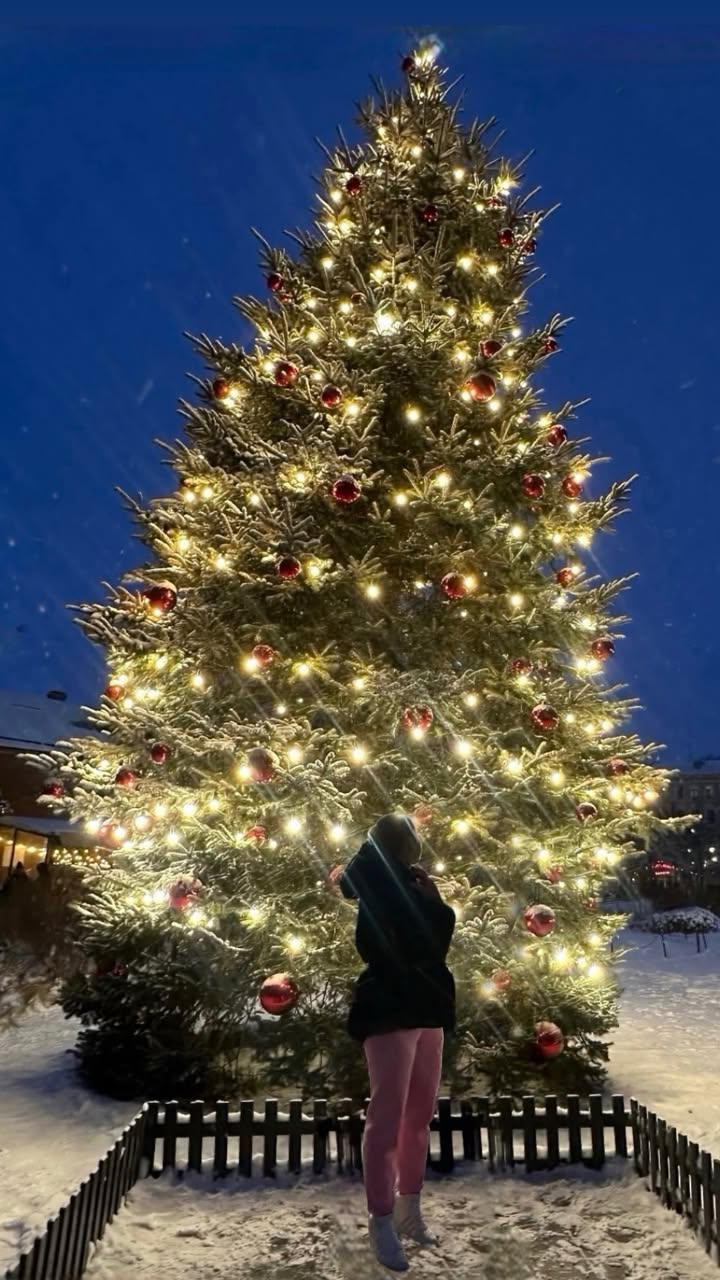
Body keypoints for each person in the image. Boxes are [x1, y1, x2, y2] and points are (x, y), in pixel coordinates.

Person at [339, 813, 456, 1272]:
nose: (419, 842)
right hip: (390, 1005)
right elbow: (417, 942)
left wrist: (432, 900)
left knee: (419, 1115)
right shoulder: (378, 882)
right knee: (386, 1118)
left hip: (426, 1005)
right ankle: (381, 1220)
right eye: (412, 836)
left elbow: (430, 943)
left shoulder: (406, 881)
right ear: (396, 842)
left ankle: (409, 1208)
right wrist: (436, 906)